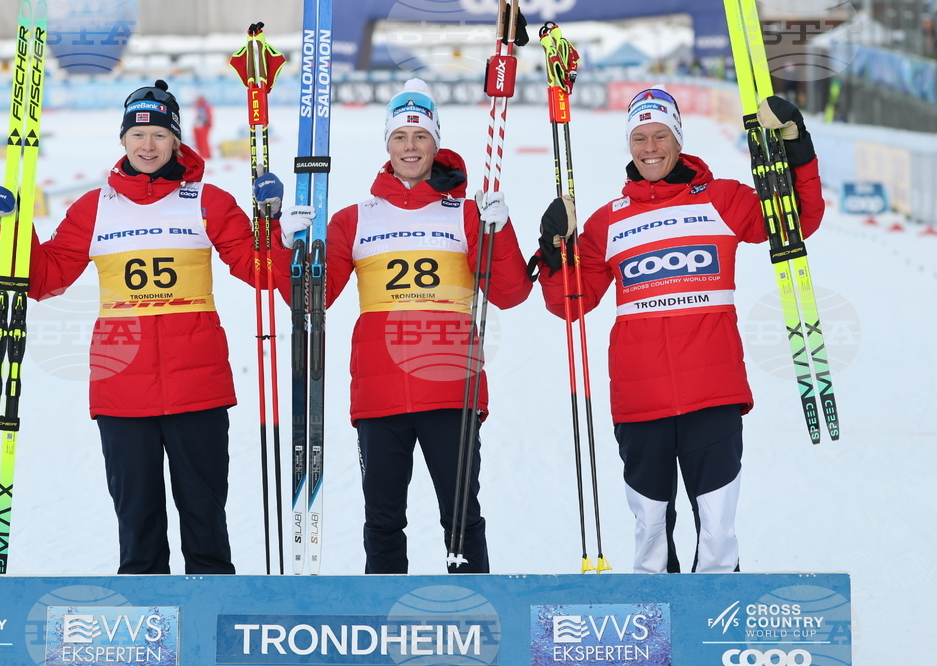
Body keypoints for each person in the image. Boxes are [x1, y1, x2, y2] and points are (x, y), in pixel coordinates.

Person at [0, 80, 283, 574]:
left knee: (206, 524)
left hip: (198, 388)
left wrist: (269, 219)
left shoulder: (206, 200)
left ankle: (211, 635)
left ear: (176, 141)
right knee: (138, 532)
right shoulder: (93, 207)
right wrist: (14, 229)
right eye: (137, 134)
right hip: (121, 389)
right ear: (123, 140)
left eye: (160, 135)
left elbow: (263, 271)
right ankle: (148, 642)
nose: (148, 146)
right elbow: (44, 280)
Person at [533, 87, 824, 573]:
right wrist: (551, 246)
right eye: (640, 137)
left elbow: (797, 220)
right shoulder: (609, 222)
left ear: (678, 139)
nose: (650, 148)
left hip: (712, 396)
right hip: (639, 402)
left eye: (660, 135)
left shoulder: (722, 199)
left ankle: (713, 632)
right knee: (649, 533)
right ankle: (654, 634)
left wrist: (796, 147)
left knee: (717, 531)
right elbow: (567, 303)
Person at [266, 78, 532, 574]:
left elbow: (511, 293)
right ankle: (385, 628)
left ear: (436, 142)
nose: (411, 148)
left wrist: (501, 229)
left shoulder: (466, 213)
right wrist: (291, 246)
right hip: (380, 396)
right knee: (383, 520)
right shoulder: (353, 219)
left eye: (421, 137)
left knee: (461, 519)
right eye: (401, 137)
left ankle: (475, 614)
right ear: (387, 143)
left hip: (451, 389)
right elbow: (309, 302)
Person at [192, 95, 213, 160]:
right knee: (200, 141)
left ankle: (205, 155)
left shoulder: (203, 106)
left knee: (203, 141)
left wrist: (205, 124)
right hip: (202, 125)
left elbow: (205, 117)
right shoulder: (200, 106)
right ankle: (204, 155)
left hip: (203, 126)